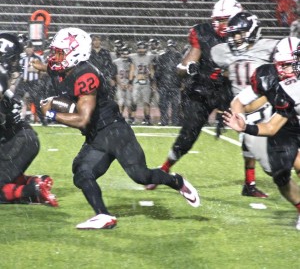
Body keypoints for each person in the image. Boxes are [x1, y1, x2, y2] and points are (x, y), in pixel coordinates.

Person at [40, 27, 200, 229]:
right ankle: (103, 216)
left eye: (60, 52)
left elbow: (82, 119)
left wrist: (52, 114)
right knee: (81, 173)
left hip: (114, 131)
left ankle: (176, 181)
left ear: (76, 52)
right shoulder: (65, 70)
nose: (55, 57)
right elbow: (47, 68)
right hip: (97, 136)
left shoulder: (85, 76)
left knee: (141, 176)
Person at [145, 0, 242, 190]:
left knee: (252, 126)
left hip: (229, 89)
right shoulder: (203, 33)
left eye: (225, 20)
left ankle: (251, 181)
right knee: (188, 134)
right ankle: (164, 168)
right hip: (203, 90)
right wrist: (188, 67)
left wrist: (228, 72)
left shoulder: (244, 33)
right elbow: (183, 66)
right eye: (218, 19)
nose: (219, 24)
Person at [223, 37, 300, 230]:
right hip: (286, 124)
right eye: (283, 66)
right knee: (280, 176)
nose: (287, 71)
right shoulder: (268, 77)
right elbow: (239, 102)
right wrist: (242, 123)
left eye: (292, 65)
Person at [211, 11, 280, 197]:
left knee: (277, 160)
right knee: (262, 159)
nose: (235, 38)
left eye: (239, 33)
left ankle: (249, 185)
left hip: (267, 107)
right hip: (242, 109)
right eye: (233, 34)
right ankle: (249, 185)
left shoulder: (268, 47)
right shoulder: (225, 52)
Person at [0, 33, 57, 206]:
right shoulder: (3, 77)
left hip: (16, 140)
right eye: (15, 59)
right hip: (18, 139)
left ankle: (31, 190)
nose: (16, 63)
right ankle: (34, 183)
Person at [155, 39, 182, 126]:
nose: (171, 49)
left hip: (168, 84)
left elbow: (158, 71)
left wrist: (156, 82)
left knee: (168, 104)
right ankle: (172, 121)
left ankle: (167, 121)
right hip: (171, 83)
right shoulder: (179, 56)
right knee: (170, 104)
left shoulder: (162, 56)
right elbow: (158, 71)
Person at [129, 40, 155, 125]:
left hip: (146, 81)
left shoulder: (149, 57)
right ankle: (132, 119)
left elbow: (151, 70)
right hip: (136, 81)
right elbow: (132, 70)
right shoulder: (133, 57)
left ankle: (147, 119)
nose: (141, 50)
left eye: (143, 48)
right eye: (140, 48)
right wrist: (130, 82)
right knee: (134, 101)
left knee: (146, 102)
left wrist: (152, 81)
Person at [89, 35, 117, 99]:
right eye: (95, 40)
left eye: (98, 40)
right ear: (92, 42)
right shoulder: (89, 53)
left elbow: (111, 66)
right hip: (92, 78)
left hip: (105, 78)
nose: (97, 42)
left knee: (107, 97)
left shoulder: (106, 52)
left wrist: (112, 78)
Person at [114, 45, 134, 123]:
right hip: (120, 83)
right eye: (123, 53)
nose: (125, 55)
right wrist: (120, 84)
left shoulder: (132, 62)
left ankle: (130, 118)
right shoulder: (116, 62)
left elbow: (133, 73)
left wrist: (130, 83)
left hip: (129, 84)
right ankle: (119, 116)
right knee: (120, 102)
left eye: (126, 53)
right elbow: (115, 74)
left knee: (129, 102)